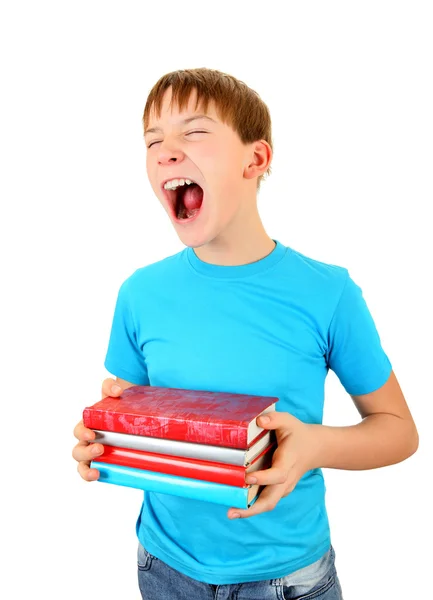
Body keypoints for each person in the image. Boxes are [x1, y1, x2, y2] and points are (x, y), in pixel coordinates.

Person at [72, 68, 419, 600]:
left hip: (288, 578)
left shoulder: (328, 292)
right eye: (152, 140)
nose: (166, 151)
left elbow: (399, 430)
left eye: (193, 132)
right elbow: (133, 415)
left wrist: (315, 445)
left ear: (255, 160)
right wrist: (103, 439)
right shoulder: (139, 294)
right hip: (162, 567)